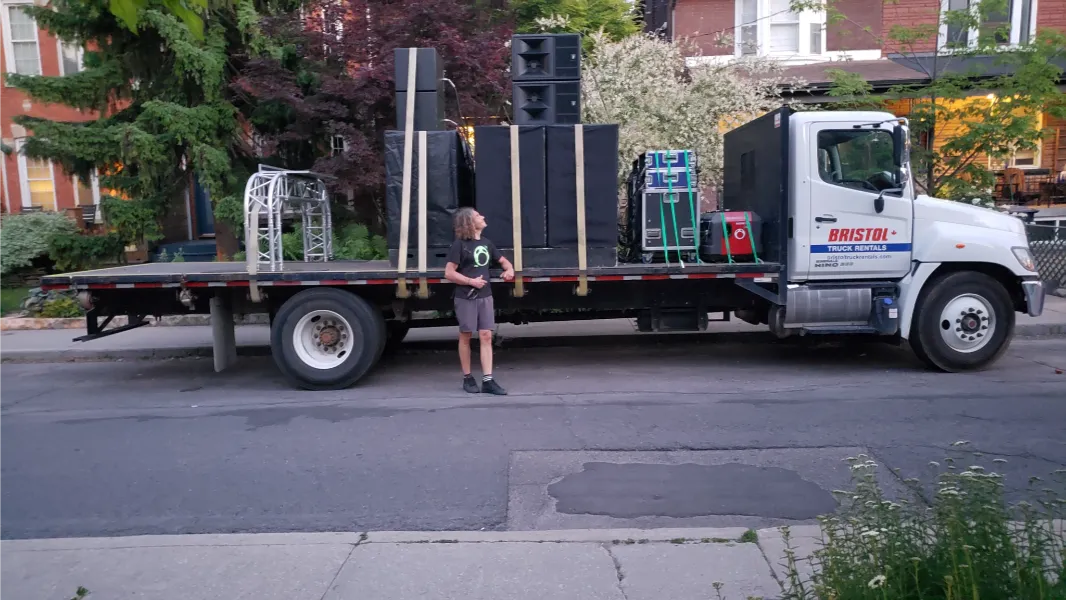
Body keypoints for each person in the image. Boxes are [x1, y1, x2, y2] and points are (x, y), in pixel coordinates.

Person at [444, 207, 515, 395]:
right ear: (469, 222)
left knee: (485, 335)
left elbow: (504, 262)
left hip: (485, 296)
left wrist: (509, 270)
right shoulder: (459, 245)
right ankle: (467, 378)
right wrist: (470, 282)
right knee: (466, 335)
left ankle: (488, 380)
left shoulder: (486, 243)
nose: (482, 217)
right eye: (477, 216)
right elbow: (449, 273)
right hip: (466, 297)